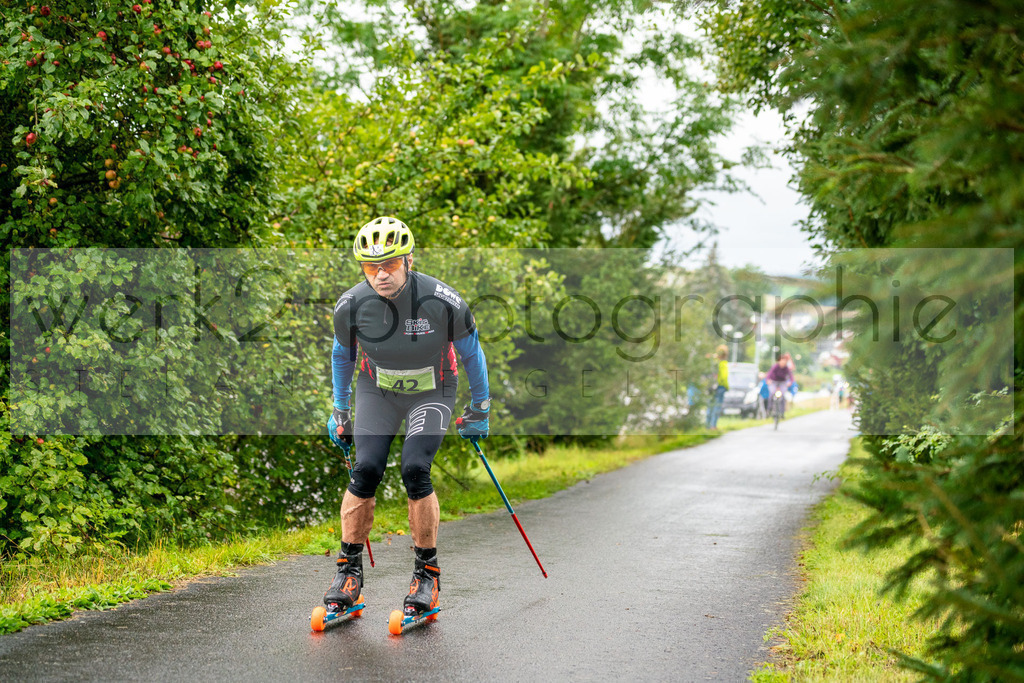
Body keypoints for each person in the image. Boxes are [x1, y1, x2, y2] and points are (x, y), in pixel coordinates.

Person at [323, 216, 491, 619]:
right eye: (370, 266)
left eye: (390, 265)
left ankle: (427, 575)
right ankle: (348, 573)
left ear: (408, 260)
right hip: (377, 389)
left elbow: (472, 354)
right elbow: (342, 357)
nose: (380, 274)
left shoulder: (441, 300)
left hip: (434, 388)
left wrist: (480, 408)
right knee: (364, 468)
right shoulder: (351, 305)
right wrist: (339, 408)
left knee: (415, 469)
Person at [765, 353, 795, 418]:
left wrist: (790, 382)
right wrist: (768, 380)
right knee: (771, 393)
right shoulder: (775, 366)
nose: (783, 363)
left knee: (783, 396)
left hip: (782, 382)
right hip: (774, 382)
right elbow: (769, 374)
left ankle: (782, 413)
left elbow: (791, 376)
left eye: (784, 362)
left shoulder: (786, 368)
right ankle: (769, 410)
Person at [706, 345, 729, 429]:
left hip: (711, 387)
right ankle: (713, 426)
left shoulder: (713, 362)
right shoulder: (723, 363)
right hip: (720, 387)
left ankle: (707, 426)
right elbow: (724, 377)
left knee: (710, 405)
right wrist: (727, 387)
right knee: (717, 406)